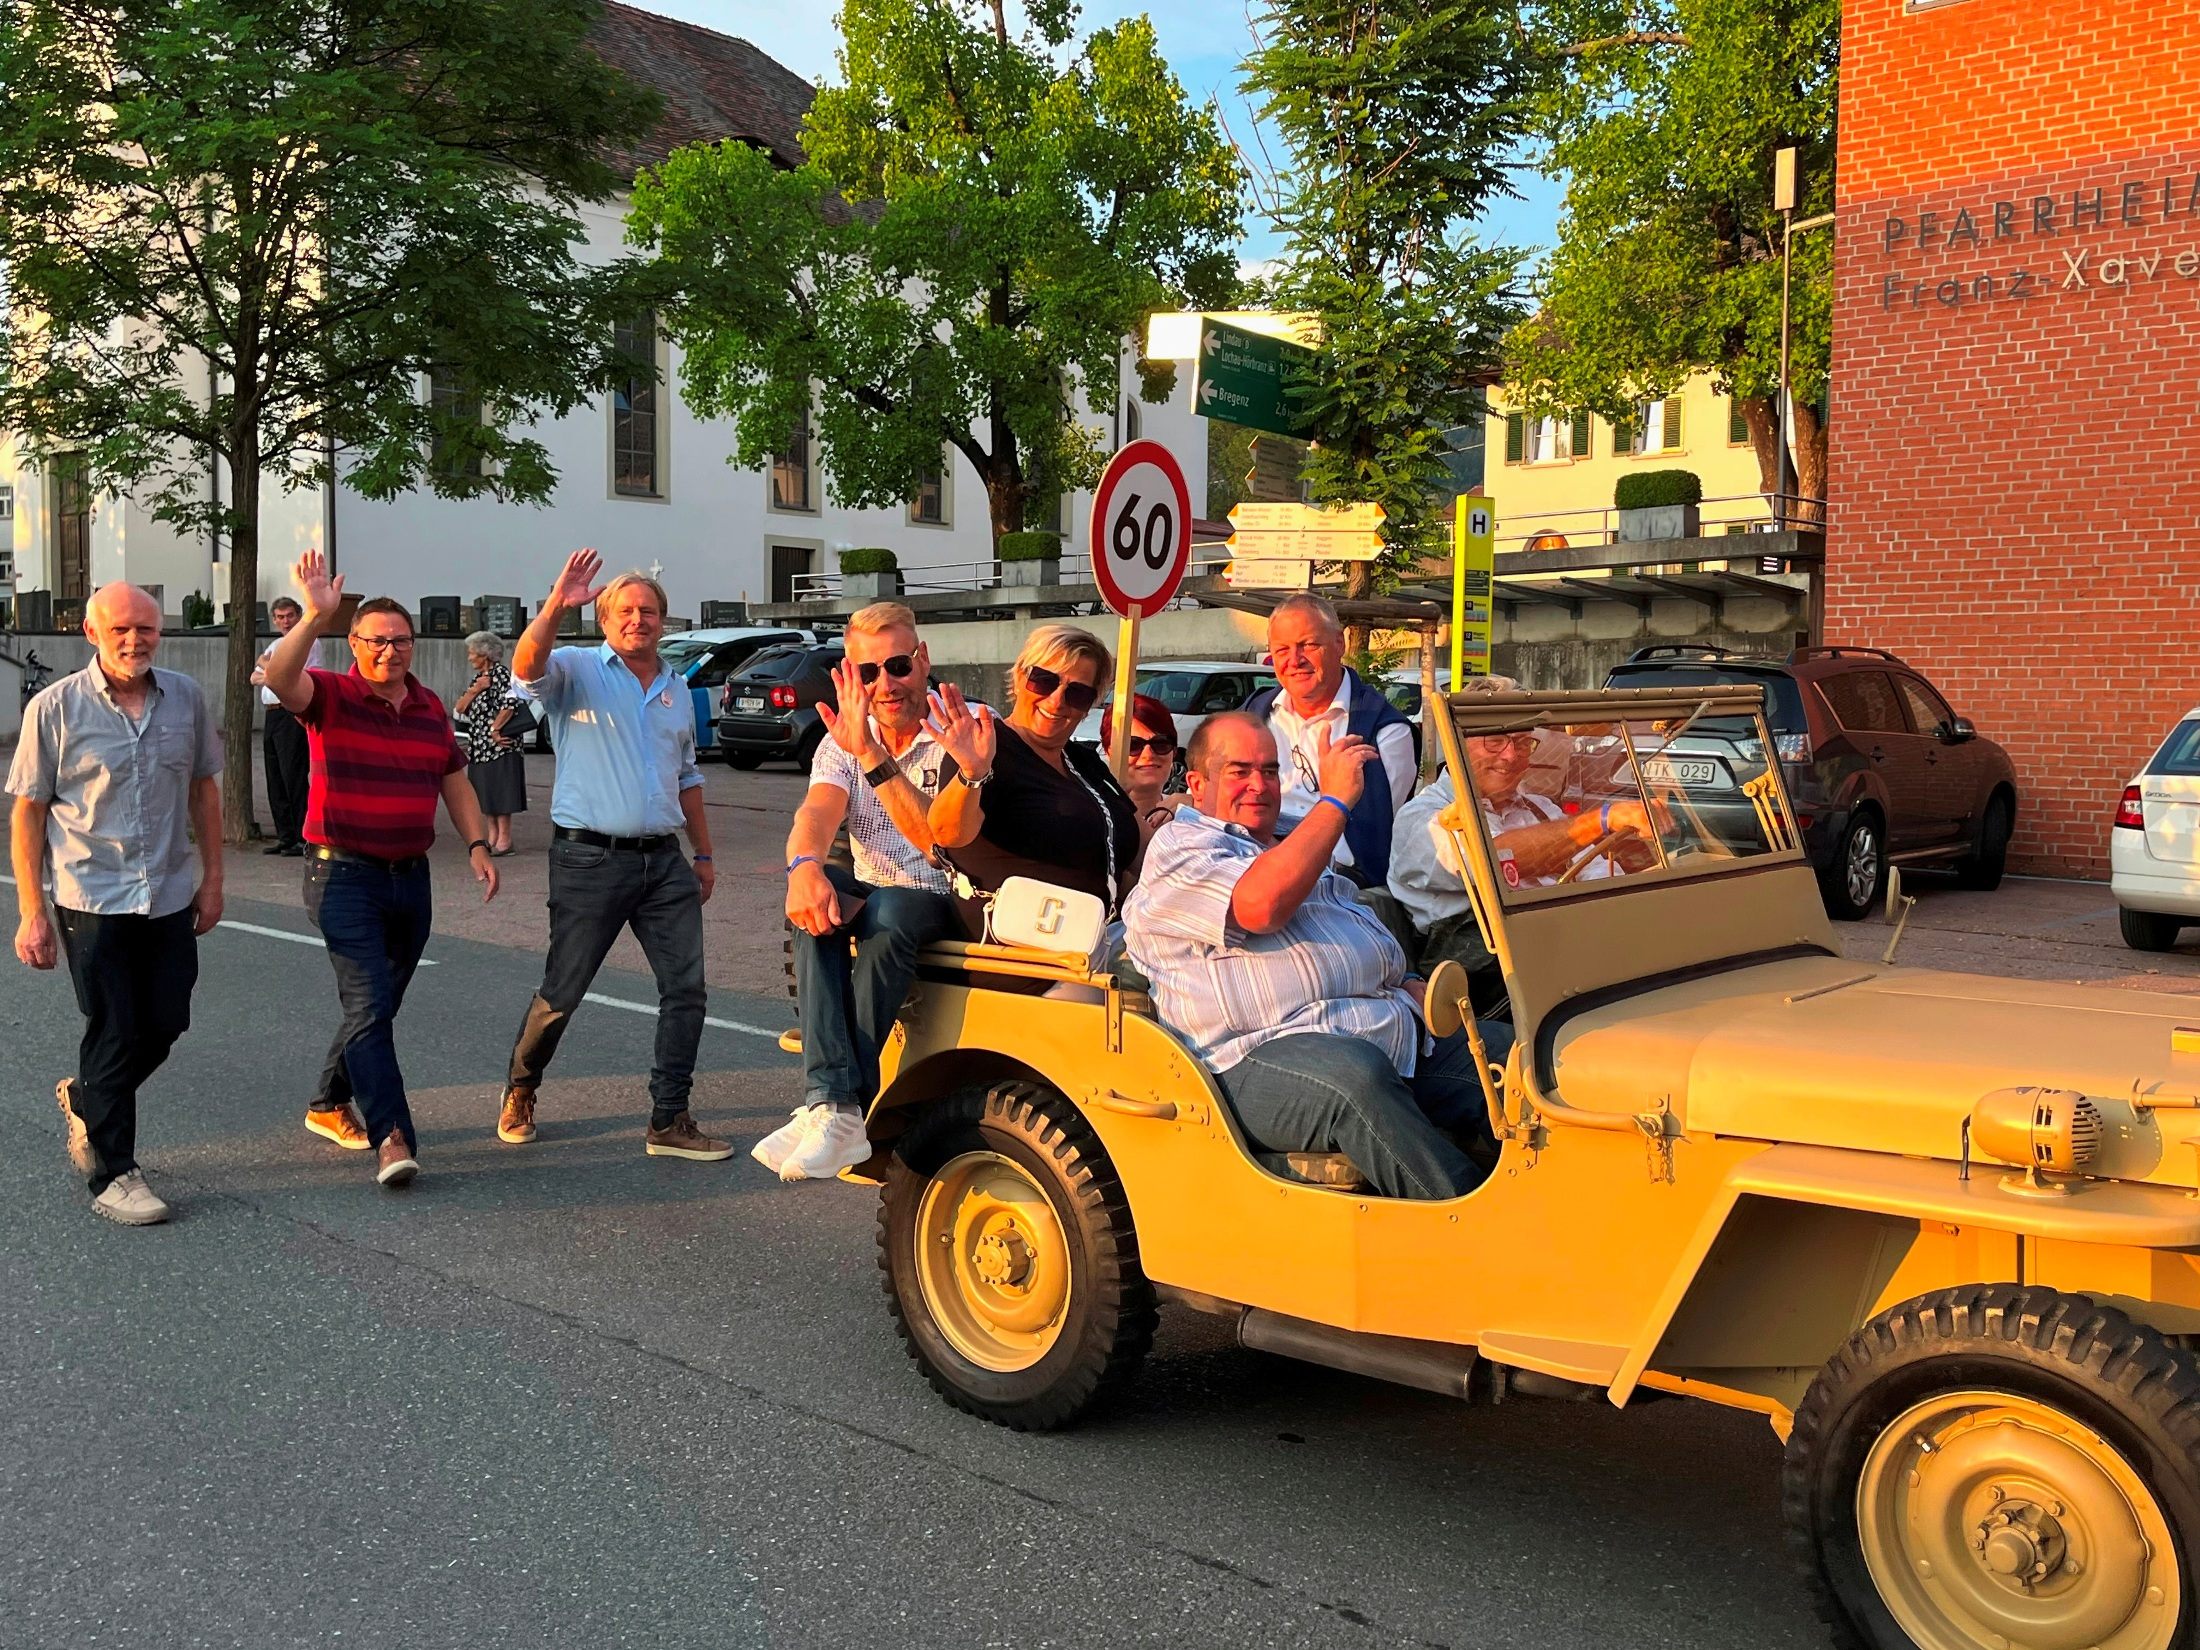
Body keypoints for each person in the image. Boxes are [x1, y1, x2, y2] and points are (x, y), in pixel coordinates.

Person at [1123, 712, 1494, 1201]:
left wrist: (1402, 978)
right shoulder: (1182, 848)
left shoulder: (1291, 837)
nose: (1259, 785)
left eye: (1270, 771)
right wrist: (1335, 801)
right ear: (1197, 783)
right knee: (1355, 1079)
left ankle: (1575, 1210)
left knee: (1516, 1056)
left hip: (1385, 1028)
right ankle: (1477, 1235)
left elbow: (1352, 927)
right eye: (1240, 771)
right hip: (1251, 1057)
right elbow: (1261, 907)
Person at [262, 552, 500, 1186]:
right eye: (376, 640)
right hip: (342, 875)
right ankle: (392, 1134)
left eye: (400, 641)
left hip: (409, 876)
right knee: (368, 1000)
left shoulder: (428, 709)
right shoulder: (330, 694)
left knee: (379, 1004)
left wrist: (477, 845)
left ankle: (325, 1102)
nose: (389, 651)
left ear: (413, 646)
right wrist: (313, 616)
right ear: (354, 644)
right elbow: (279, 677)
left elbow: (454, 780)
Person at [497, 548, 723, 1160]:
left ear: (662, 621)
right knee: (564, 989)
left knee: (687, 990)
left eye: (648, 611)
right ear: (603, 619)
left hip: (665, 863)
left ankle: (669, 1118)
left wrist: (702, 855)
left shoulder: (677, 690)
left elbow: (689, 779)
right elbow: (526, 663)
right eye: (624, 610)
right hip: (589, 861)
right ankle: (522, 1086)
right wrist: (554, 603)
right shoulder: (574, 669)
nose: (637, 620)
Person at [8, 583, 223, 1225]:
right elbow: (28, 813)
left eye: (147, 630)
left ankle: (86, 1097)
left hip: (168, 891)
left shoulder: (184, 697)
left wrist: (212, 880)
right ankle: (114, 1172)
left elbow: (205, 793)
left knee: (166, 1022)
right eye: (121, 629)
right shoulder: (55, 708)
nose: (135, 641)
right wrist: (30, 910)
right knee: (115, 1025)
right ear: (92, 634)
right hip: (90, 895)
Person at [758, 602, 960, 1182]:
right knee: (813, 897)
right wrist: (803, 867)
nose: (885, 685)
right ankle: (831, 1102)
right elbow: (818, 812)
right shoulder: (845, 739)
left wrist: (873, 757)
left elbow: (940, 847)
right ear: (850, 677)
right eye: (868, 673)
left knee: (889, 908)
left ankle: (843, 1102)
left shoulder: (960, 727)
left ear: (922, 661)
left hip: (949, 894)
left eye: (897, 665)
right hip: (877, 892)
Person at [924, 624, 1138, 939]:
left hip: (1101, 943)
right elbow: (947, 833)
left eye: (1077, 693)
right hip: (1027, 957)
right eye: (1044, 680)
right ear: (1021, 679)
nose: (1056, 701)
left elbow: (1146, 843)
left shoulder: (1083, 761)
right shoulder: (989, 748)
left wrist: (1182, 810)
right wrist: (971, 773)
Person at [1242, 594, 1415, 888]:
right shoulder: (1254, 715)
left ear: (1339, 644)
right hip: (1252, 867)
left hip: (1341, 886)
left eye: (1308, 645)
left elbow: (1373, 834)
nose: (1294, 660)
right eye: (1282, 649)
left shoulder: (1385, 731)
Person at [453, 630, 526, 855]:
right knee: (486, 793)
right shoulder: (479, 680)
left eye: (472, 653)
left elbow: (511, 703)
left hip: (500, 745)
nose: (469, 658)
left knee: (501, 791)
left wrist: (495, 729)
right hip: (480, 747)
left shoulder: (502, 675)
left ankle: (505, 839)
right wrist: (477, 689)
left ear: (484, 654)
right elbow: (460, 708)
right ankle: (493, 837)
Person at [251, 594, 310, 855]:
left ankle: (303, 836)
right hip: (271, 713)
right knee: (274, 775)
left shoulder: (306, 642)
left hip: (290, 713)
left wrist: (268, 668)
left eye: (290, 616)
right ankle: (285, 834)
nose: (285, 621)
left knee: (293, 775)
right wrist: (270, 670)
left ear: (299, 616)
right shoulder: (276, 643)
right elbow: (255, 676)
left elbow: (287, 672)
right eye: (280, 617)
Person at [1099, 692, 1179, 860]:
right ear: (1109, 751)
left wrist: (1195, 807)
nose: (1148, 754)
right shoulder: (1096, 814)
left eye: (1161, 743)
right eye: (1133, 745)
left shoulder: (1187, 814)